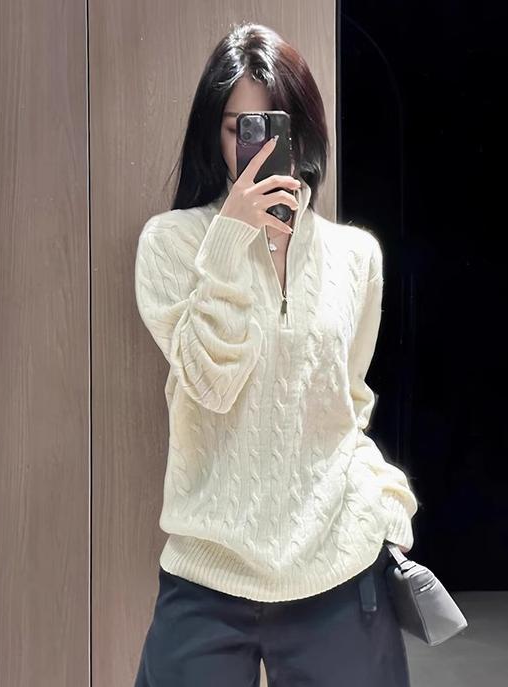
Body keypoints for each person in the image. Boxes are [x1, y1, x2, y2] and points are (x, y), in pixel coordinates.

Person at [133, 21, 419, 687]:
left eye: (272, 127)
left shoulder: (355, 256)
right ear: (214, 134)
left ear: (302, 132)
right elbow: (211, 383)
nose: (255, 148)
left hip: (337, 568)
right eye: (239, 129)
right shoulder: (171, 245)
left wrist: (384, 504)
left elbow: (347, 403)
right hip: (207, 574)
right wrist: (230, 240)